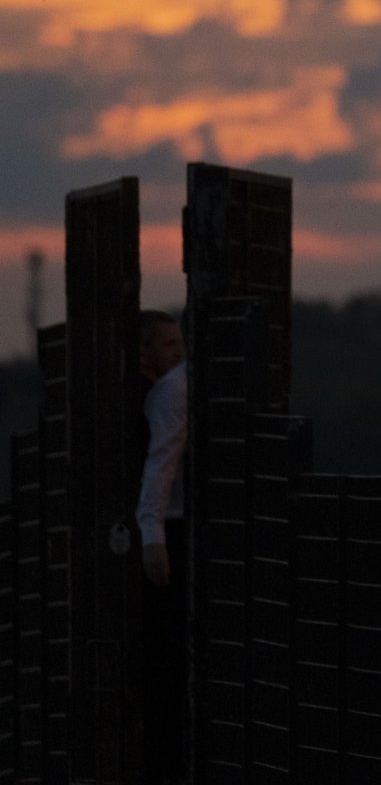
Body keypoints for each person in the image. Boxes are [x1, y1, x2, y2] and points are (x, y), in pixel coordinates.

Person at [136, 308, 189, 784]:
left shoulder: (172, 389)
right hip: (169, 532)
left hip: (171, 531)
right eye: (169, 345)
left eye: (181, 342)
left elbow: (162, 462)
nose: (179, 352)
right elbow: (162, 462)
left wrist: (151, 534)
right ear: (144, 353)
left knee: (165, 656)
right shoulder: (171, 391)